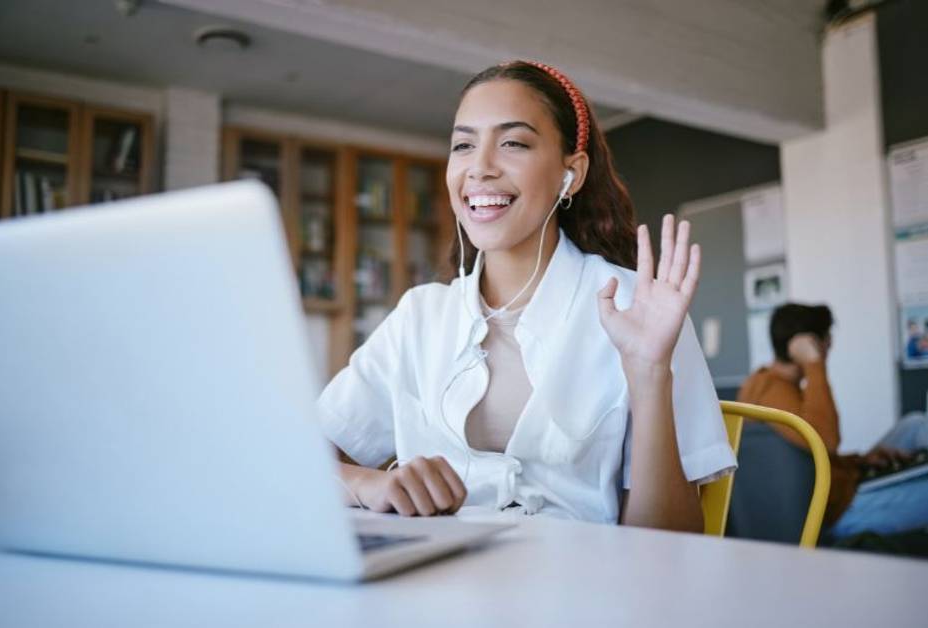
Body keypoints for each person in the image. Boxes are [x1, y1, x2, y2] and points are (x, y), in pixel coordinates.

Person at [316, 60, 736, 531]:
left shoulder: (642, 307)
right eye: (463, 145)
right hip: (435, 587)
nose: (480, 168)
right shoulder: (420, 315)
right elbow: (294, 459)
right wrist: (366, 484)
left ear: (570, 174)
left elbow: (670, 545)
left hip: (582, 590)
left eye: (513, 143)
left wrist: (650, 375)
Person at [737, 303, 928, 541]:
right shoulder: (771, 390)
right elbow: (826, 439)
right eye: (826, 340)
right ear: (809, 344)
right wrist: (815, 364)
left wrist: (859, 462)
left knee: (914, 425)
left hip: (837, 486)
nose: (830, 347)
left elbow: (806, 455)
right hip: (837, 509)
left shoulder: (763, 382)